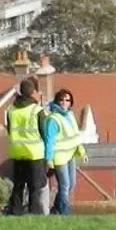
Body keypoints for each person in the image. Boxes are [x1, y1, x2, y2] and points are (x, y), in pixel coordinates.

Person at [3, 79, 49, 215]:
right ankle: (34, 211)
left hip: (17, 151)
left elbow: (10, 130)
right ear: (33, 92)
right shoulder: (37, 110)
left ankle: (15, 210)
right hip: (34, 153)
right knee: (34, 186)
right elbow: (43, 132)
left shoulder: (11, 110)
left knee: (18, 184)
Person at [45, 88, 84, 216]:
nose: (64, 102)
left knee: (71, 184)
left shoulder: (70, 115)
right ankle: (64, 212)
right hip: (59, 156)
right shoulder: (53, 119)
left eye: (67, 100)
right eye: (61, 100)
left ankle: (56, 209)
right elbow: (49, 140)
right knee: (65, 185)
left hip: (70, 154)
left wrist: (82, 152)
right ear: (57, 101)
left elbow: (75, 136)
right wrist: (49, 159)